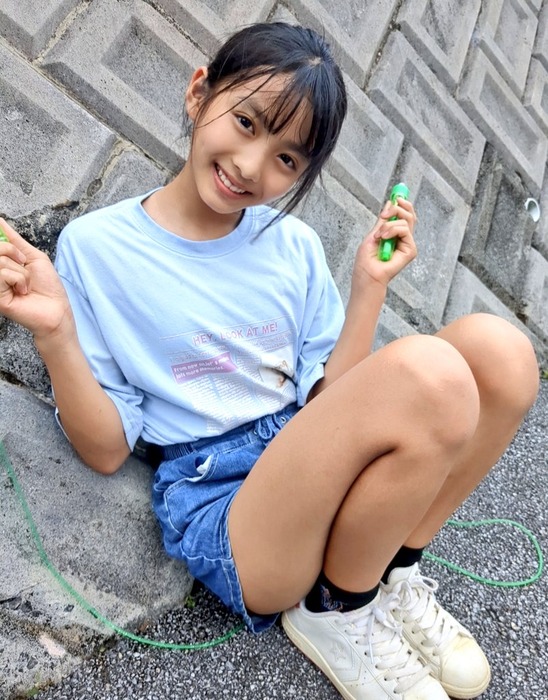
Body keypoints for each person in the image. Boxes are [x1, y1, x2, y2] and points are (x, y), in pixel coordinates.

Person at [0, 21, 539, 700]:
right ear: (200, 93)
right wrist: (55, 333)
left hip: (304, 450)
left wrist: (369, 288)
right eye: (246, 122)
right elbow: (107, 451)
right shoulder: (96, 249)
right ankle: (337, 612)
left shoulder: (294, 247)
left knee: (502, 352)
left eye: (286, 158)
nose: (253, 167)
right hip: (230, 504)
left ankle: (392, 570)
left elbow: (329, 407)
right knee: (433, 372)